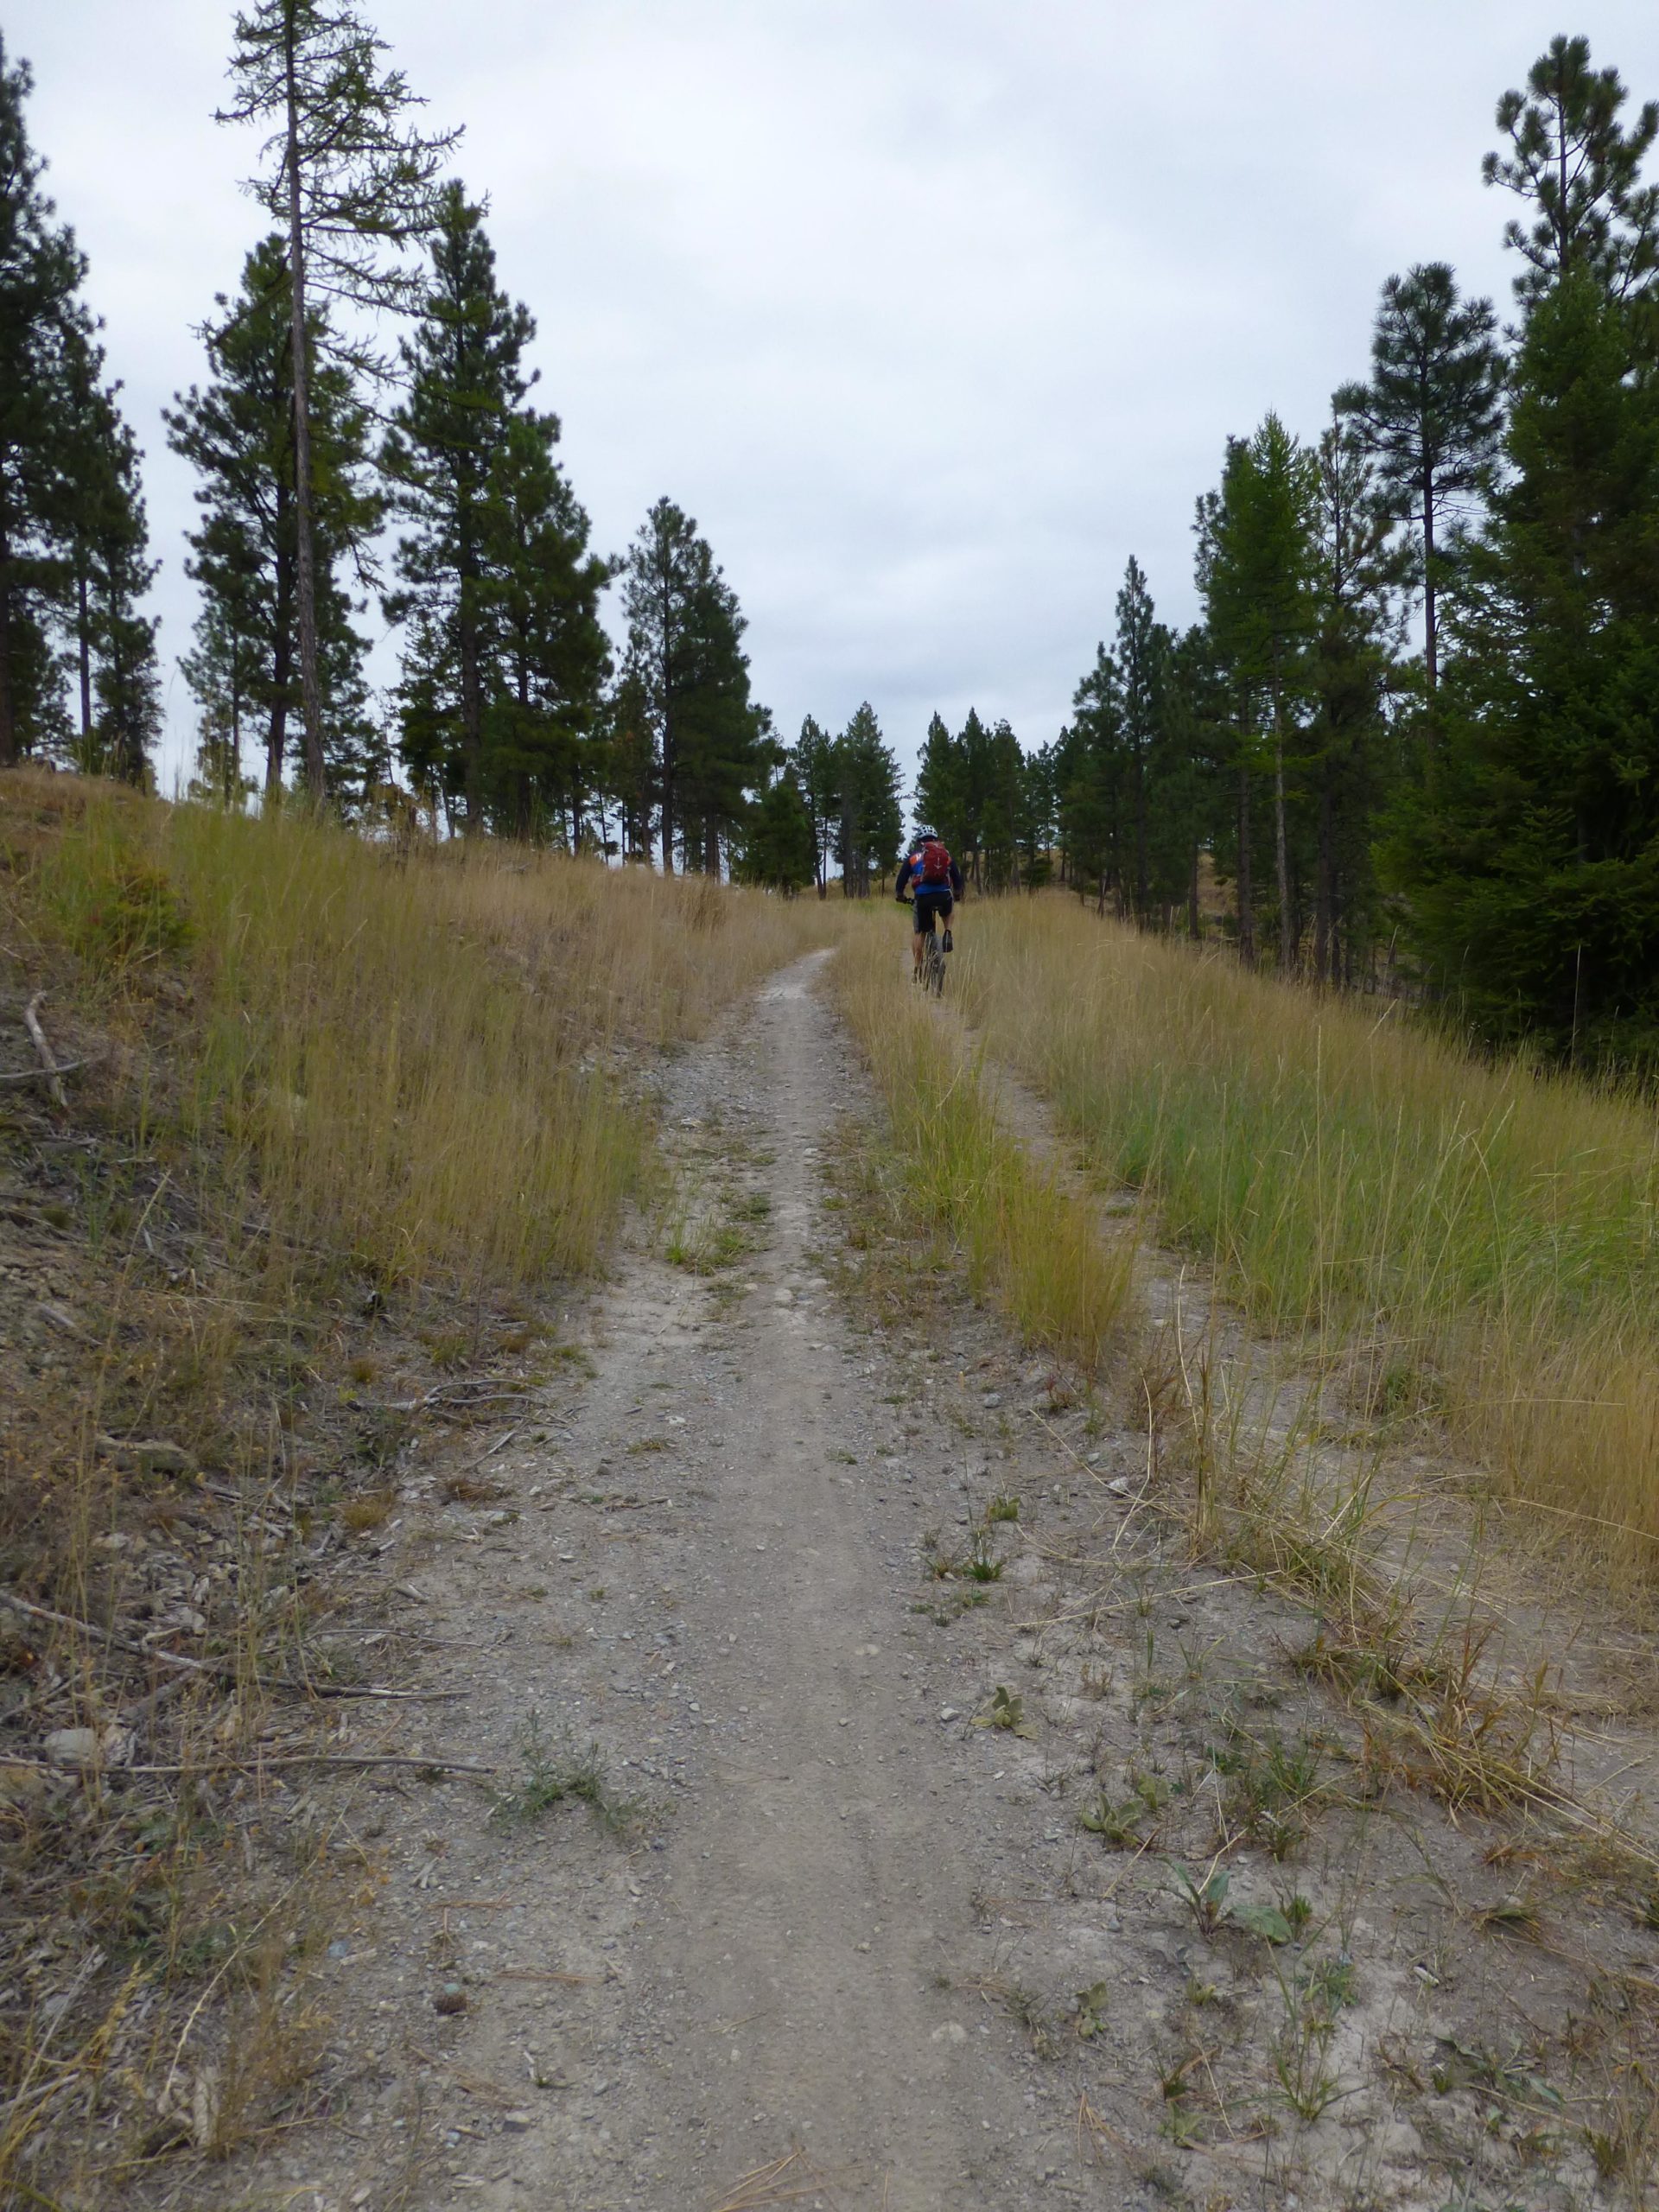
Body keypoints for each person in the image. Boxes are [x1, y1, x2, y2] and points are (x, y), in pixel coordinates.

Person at [895, 830, 964, 980]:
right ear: (936, 840)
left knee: (919, 932)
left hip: (923, 897)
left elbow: (901, 880)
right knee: (949, 908)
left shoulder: (913, 858)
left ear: (919, 841)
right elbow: (957, 877)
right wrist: (957, 893)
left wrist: (900, 896)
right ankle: (948, 932)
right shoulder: (945, 854)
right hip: (943, 895)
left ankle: (918, 968)